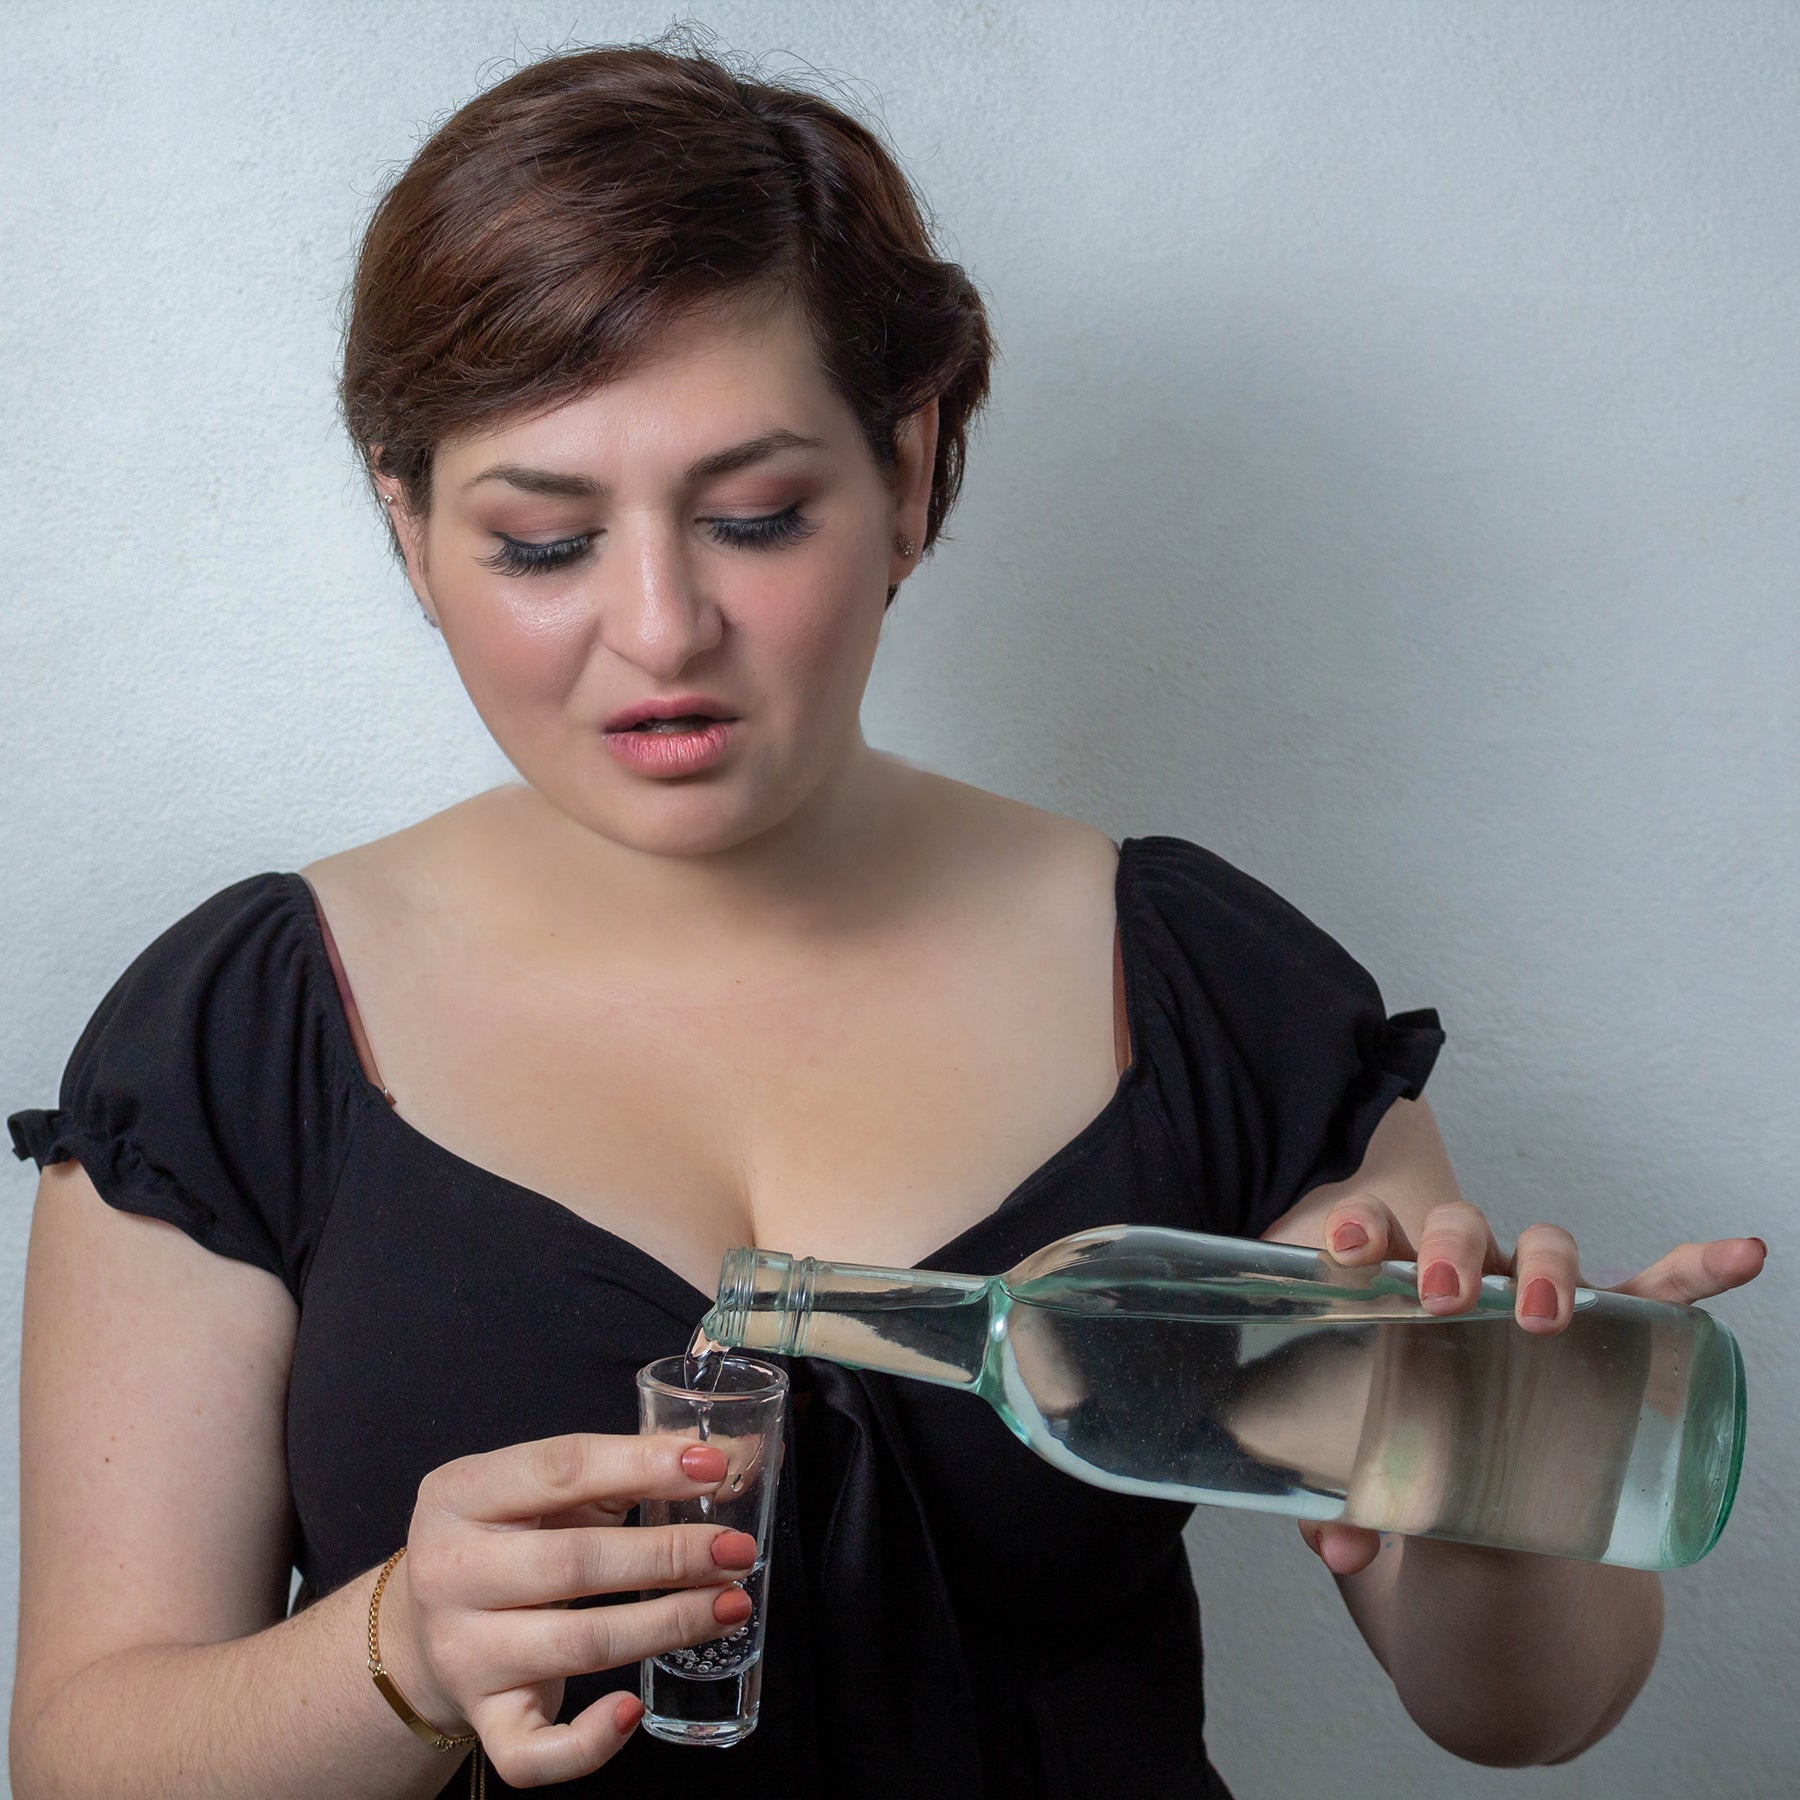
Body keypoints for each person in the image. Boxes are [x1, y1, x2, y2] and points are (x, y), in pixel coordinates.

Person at [6, 32, 1766, 1800]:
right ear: (407, 525)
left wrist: (1504, 1447)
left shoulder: (1199, 987)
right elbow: (83, 1757)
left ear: (911, 469)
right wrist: (401, 1648)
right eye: (541, 543)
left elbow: (1524, 1713)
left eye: (757, 516)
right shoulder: (244, 1037)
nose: (660, 625)